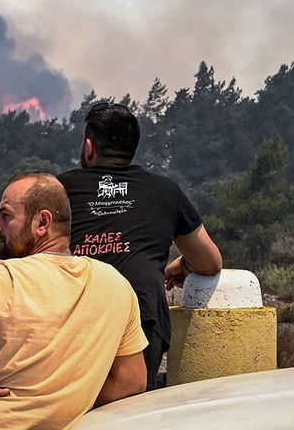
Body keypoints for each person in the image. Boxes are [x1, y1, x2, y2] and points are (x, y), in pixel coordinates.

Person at [0, 172, 147, 429]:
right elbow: (132, 380)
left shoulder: (0, 275)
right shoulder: (116, 284)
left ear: (42, 222)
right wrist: (65, 401)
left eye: (5, 215)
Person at [58, 102, 222, 391]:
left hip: (73, 316)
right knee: (128, 410)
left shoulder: (58, 190)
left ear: (88, 147)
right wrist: (182, 265)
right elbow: (210, 262)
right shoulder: (165, 191)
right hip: (142, 316)